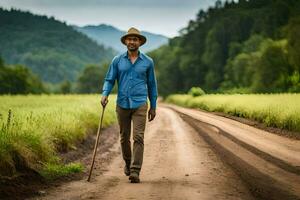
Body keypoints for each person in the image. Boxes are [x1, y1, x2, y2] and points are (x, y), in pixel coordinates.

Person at [101, 27, 158, 183]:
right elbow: (109, 80)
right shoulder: (117, 60)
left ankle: (135, 171)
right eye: (130, 39)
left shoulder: (148, 62)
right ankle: (127, 162)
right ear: (125, 41)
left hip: (140, 103)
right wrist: (105, 93)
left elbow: (152, 85)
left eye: (135, 39)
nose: (132, 41)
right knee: (124, 138)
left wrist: (153, 105)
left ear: (140, 42)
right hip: (122, 104)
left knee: (138, 137)